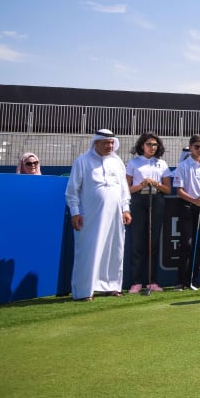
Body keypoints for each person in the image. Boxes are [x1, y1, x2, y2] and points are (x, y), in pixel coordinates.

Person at [65, 129, 132, 301]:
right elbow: (72, 191)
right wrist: (75, 212)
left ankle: (111, 286)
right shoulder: (82, 161)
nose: (110, 146)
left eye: (111, 143)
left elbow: (124, 189)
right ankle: (83, 291)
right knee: (88, 251)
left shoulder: (117, 162)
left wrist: (126, 209)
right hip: (90, 216)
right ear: (96, 143)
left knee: (114, 249)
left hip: (116, 216)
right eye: (105, 143)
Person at [125, 132, 171, 293]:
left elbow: (167, 188)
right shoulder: (133, 162)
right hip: (138, 200)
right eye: (149, 144)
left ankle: (153, 281)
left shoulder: (162, 164)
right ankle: (136, 282)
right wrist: (142, 184)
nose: (152, 147)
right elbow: (127, 188)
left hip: (156, 200)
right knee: (137, 241)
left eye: (155, 145)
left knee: (153, 241)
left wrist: (155, 183)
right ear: (142, 145)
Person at [171, 133, 200, 291]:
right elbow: (179, 191)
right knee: (186, 244)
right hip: (187, 207)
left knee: (197, 243)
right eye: (197, 147)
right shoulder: (183, 166)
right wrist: (194, 200)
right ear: (190, 147)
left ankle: (193, 279)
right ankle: (181, 281)